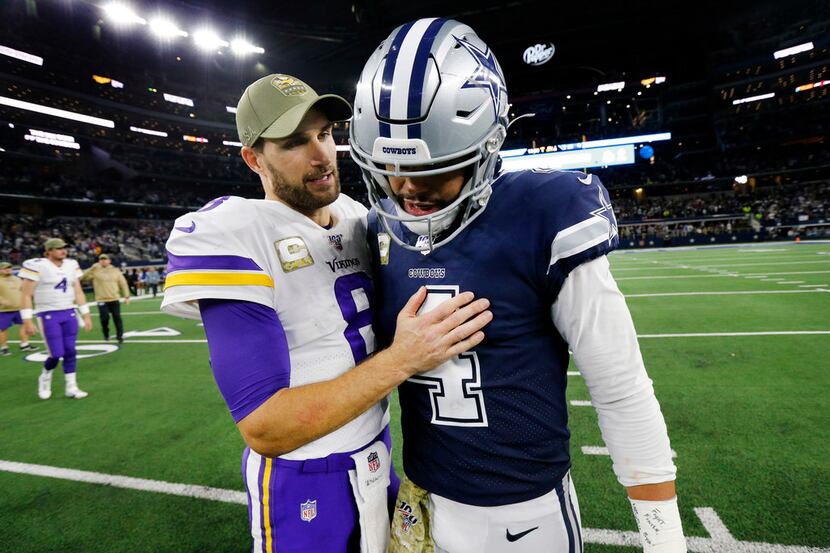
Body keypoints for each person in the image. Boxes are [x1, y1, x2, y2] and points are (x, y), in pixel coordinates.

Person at [350, 18, 687, 553]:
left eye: (437, 168)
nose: (408, 187)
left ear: (488, 146)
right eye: (390, 165)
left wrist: (664, 538)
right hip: (422, 504)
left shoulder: (544, 212)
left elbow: (620, 389)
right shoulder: (375, 230)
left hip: (524, 519)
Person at [161, 73, 491, 553]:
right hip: (304, 476)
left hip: (378, 456)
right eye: (295, 143)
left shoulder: (359, 217)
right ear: (254, 159)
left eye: (325, 134)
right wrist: (403, 359)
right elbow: (265, 426)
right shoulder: (236, 231)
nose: (321, 155)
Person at [19, 238, 93, 399]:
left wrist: (86, 314)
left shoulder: (71, 264)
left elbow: (78, 291)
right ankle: (45, 375)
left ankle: (71, 387)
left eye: (64, 248)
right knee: (56, 353)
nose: (63, 251)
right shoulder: (37, 265)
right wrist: (27, 321)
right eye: (58, 248)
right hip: (48, 313)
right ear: (49, 251)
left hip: (69, 312)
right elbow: (26, 294)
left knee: (70, 351)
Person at [81, 253, 130, 343]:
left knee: (117, 318)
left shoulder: (115, 270)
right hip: (101, 300)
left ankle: (120, 336)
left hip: (114, 298)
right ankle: (106, 333)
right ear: (99, 261)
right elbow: (82, 278)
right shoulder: (95, 270)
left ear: (109, 260)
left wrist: (126, 295)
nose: (103, 261)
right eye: (101, 259)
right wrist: (91, 268)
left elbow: (123, 283)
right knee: (104, 318)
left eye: (105, 259)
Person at [0, 261, 37, 355]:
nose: (8, 269)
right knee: (2, 328)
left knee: (24, 325)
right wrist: (1, 300)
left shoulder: (17, 279)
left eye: (9, 267)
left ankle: (24, 344)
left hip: (20, 308)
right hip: (3, 310)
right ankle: (4, 347)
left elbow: (24, 291)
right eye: (5, 268)